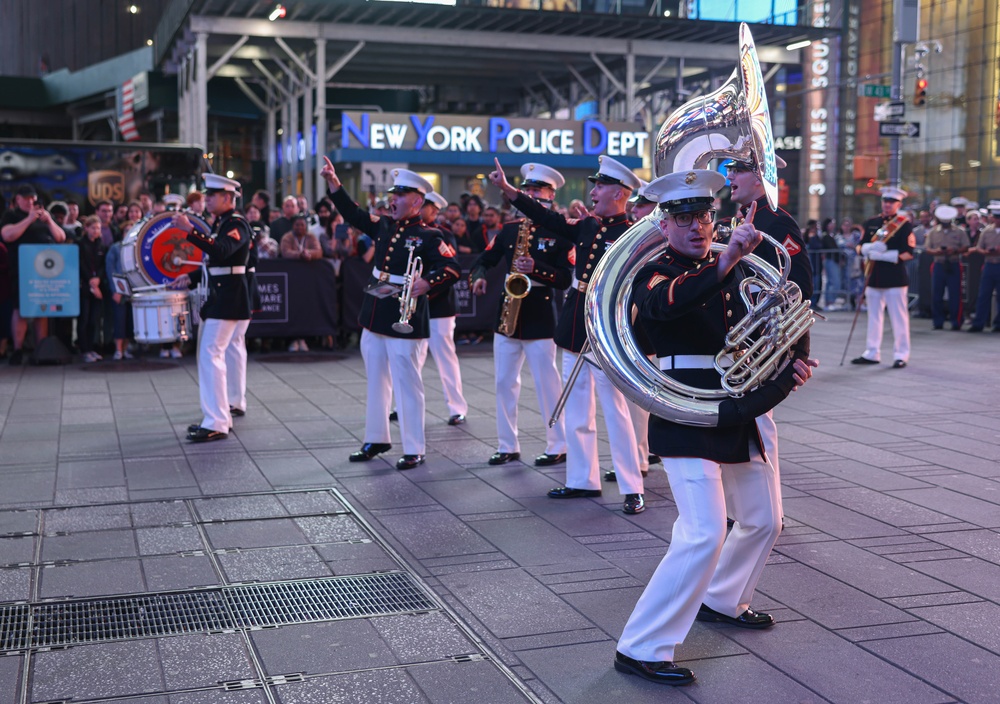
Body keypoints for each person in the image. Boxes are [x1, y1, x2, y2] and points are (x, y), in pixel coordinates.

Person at [614, 169, 815, 686]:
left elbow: (778, 317)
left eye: (703, 216)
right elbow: (667, 305)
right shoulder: (653, 272)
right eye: (684, 219)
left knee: (765, 520)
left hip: (739, 406)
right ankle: (641, 645)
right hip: (687, 408)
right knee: (703, 532)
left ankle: (724, 599)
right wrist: (728, 260)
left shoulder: (739, 267)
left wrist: (790, 360)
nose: (697, 227)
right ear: (665, 225)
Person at [491, 155, 646, 515]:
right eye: (595, 184)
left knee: (615, 411)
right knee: (576, 409)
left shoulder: (632, 234)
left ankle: (631, 486)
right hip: (576, 324)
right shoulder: (588, 226)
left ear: (621, 193)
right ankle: (582, 479)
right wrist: (510, 191)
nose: (593, 191)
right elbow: (546, 217)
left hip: (607, 329)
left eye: (601, 185)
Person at [321, 158, 460, 470]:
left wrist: (428, 282)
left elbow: (452, 268)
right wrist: (334, 183)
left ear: (417, 200)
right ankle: (376, 438)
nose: (392, 200)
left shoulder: (430, 236)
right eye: (392, 194)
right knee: (376, 380)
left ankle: (414, 448)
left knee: (407, 383)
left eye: (399, 195)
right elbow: (352, 214)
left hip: (405, 316)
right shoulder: (384, 225)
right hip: (375, 311)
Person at [471, 163, 572, 468]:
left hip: (540, 311)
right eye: (526, 189)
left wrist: (537, 269)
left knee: (547, 383)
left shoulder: (559, 229)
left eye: (536, 190)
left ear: (551, 194)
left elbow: (566, 278)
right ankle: (507, 445)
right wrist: (479, 274)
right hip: (507, 311)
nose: (529, 194)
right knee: (503, 381)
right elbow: (484, 258)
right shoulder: (510, 229)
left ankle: (558, 444)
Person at [169, 173, 253, 443]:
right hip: (224, 297)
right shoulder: (223, 222)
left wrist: (190, 231)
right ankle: (220, 414)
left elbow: (221, 251)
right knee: (215, 354)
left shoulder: (236, 223)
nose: (207, 199)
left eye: (212, 195)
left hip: (228, 298)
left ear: (228, 198)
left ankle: (217, 420)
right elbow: (217, 263)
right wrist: (191, 277)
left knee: (211, 355)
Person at [0, 184, 67, 366]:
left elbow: (60, 238)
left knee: (42, 309)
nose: (31, 202)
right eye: (27, 198)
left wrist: (49, 221)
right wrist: (29, 219)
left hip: (45, 271)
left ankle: (41, 349)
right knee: (21, 309)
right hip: (22, 270)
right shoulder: (11, 215)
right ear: (18, 199)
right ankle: (18, 349)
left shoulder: (44, 217)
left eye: (33, 199)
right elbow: (7, 235)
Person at [419, 191, 469, 425]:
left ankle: (457, 407)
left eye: (424, 206)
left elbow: (450, 269)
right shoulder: (409, 231)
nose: (419, 208)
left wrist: (426, 287)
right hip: (414, 304)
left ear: (435, 211)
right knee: (411, 358)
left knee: (445, 357)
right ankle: (405, 403)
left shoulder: (443, 234)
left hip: (439, 303)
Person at [852, 186, 915, 368]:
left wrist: (887, 254)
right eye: (885, 201)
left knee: (899, 318)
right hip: (873, 277)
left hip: (895, 279)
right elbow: (859, 246)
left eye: (892, 202)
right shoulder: (871, 222)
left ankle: (901, 354)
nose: (888, 205)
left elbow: (909, 252)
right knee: (873, 317)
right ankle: (872, 352)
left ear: (899, 204)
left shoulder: (904, 225)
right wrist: (866, 249)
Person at [925, 204, 970, 331]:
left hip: (953, 263)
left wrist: (954, 250)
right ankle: (938, 321)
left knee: (955, 294)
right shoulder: (933, 232)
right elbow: (928, 249)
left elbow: (966, 246)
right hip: (939, 263)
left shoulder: (959, 231)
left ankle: (956, 321)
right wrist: (937, 251)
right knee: (936, 294)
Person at [77, 216, 107, 362]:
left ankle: (92, 347)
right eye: (93, 228)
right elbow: (80, 264)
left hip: (97, 286)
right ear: (86, 228)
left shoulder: (101, 245)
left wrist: (98, 279)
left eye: (98, 228)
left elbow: (103, 265)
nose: (96, 231)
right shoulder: (80, 244)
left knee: (94, 320)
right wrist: (90, 280)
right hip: (84, 286)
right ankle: (84, 350)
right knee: (84, 319)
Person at [969, 202, 1000, 332]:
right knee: (983, 295)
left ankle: (998, 324)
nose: (997, 220)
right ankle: (979, 323)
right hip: (989, 264)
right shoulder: (987, 231)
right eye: (996, 217)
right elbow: (979, 248)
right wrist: (986, 251)